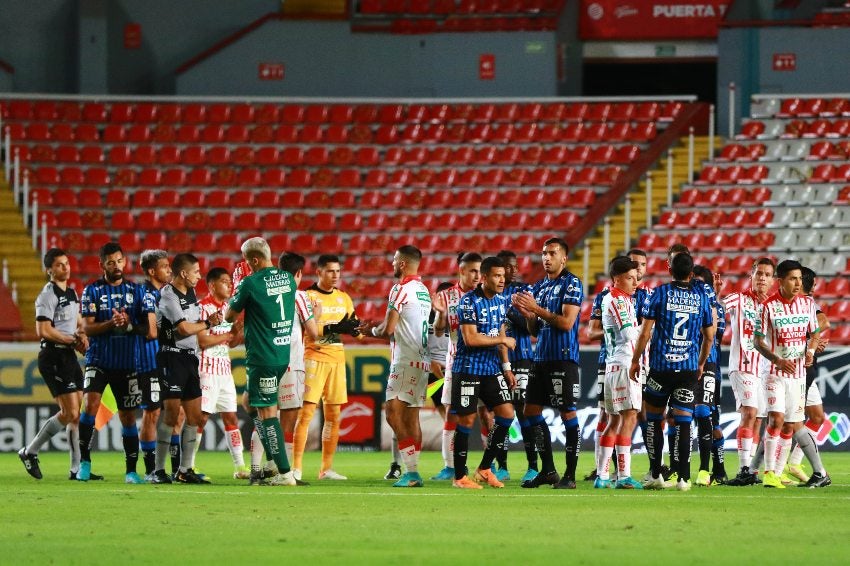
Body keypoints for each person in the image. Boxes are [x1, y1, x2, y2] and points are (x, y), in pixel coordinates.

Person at [630, 252, 715, 491]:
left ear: (670, 270)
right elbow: (709, 337)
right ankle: (684, 478)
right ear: (691, 274)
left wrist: (636, 361)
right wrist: (700, 363)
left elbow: (645, 333)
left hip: (660, 369)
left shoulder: (659, 293)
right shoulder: (701, 298)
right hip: (687, 369)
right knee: (684, 422)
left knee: (654, 420)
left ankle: (656, 473)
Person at [78, 242, 156, 483]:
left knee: (128, 417)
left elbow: (150, 331)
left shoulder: (138, 292)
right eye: (111, 262)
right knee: (90, 405)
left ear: (125, 262)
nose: (116, 266)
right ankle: (84, 463)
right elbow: (87, 328)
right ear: (102, 265)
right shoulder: (91, 291)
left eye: (119, 261)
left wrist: (129, 325)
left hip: (127, 363)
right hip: (98, 360)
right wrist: (111, 324)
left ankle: (131, 471)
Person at [512, 237, 583, 489]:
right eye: (544, 253)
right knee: (530, 411)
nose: (546, 257)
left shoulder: (572, 283)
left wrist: (537, 309)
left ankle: (570, 476)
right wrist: (529, 314)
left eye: (552, 253)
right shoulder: (539, 286)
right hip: (539, 358)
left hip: (563, 359)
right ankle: (549, 470)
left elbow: (566, 323)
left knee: (567, 413)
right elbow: (534, 330)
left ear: (564, 258)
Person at [225, 237, 297, 486]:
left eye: (247, 261)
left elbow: (228, 315)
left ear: (254, 260)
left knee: (267, 413)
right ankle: (277, 462)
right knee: (249, 402)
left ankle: (284, 473)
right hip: (281, 352)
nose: (246, 265)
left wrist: (238, 286)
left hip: (262, 356)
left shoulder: (250, 282)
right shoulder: (288, 278)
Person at [361, 245, 433, 487]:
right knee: (412, 417)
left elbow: (388, 329)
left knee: (392, 413)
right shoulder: (423, 291)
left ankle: (411, 473)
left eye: (394, 260)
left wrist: (369, 331)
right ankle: (413, 471)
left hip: (404, 360)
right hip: (422, 360)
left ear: (402, 264)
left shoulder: (399, 289)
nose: (391, 264)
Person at [149, 254, 222, 484]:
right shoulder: (169, 295)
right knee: (170, 414)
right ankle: (158, 471)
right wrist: (209, 323)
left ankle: (184, 470)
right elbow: (181, 329)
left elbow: (193, 328)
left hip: (190, 358)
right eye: (196, 272)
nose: (199, 276)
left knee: (196, 416)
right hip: (171, 358)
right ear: (183, 273)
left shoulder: (190, 293)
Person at [18, 248, 89, 480]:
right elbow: (44, 330)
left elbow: (78, 322)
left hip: (68, 356)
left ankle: (75, 468)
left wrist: (82, 335)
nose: (65, 267)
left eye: (66, 263)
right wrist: (71, 339)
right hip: (53, 356)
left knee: (77, 414)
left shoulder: (71, 293)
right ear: (49, 270)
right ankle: (30, 451)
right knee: (69, 411)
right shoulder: (47, 295)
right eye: (59, 265)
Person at [753, 260, 825, 489]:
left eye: (799, 279)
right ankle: (770, 473)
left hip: (798, 375)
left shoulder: (807, 304)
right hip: (774, 372)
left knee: (795, 424)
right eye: (793, 278)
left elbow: (814, 333)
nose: (798, 283)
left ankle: (819, 472)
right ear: (780, 280)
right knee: (776, 419)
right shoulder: (767, 307)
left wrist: (811, 352)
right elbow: (757, 341)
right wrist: (777, 360)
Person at [447, 256, 516, 489]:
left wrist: (506, 367)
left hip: (491, 368)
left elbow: (500, 332)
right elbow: (470, 338)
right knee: (466, 419)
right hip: (468, 368)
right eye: (497, 276)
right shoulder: (468, 302)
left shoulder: (502, 301)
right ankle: (459, 477)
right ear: (484, 278)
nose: (501, 280)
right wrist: (503, 339)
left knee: (507, 414)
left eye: (503, 277)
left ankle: (484, 468)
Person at [293, 254, 362, 481]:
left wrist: (358, 330)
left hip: (337, 359)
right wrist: (335, 327)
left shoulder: (344, 298)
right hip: (314, 357)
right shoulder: (307, 296)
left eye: (338, 271)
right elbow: (311, 329)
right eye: (330, 271)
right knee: (306, 414)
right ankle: (296, 468)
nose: (335, 276)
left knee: (334, 416)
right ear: (319, 272)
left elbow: (355, 328)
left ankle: (326, 469)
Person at [587, 248, 649, 483]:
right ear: (617, 278)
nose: (635, 282)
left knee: (613, 420)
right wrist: (647, 330)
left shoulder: (611, 298)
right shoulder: (619, 301)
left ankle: (602, 475)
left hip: (613, 365)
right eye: (630, 278)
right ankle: (624, 475)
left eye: (636, 278)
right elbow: (628, 334)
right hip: (624, 365)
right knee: (628, 417)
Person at [384, 280, 452, 481]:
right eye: (440, 296)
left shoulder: (458, 316)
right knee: (403, 414)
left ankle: (450, 465)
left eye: (447, 296)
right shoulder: (425, 315)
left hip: (445, 373)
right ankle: (397, 464)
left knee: (448, 418)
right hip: (427, 370)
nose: (443, 300)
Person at [265, 252, 320, 485]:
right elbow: (314, 333)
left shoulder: (265, 293)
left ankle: (265, 466)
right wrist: (316, 315)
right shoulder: (299, 296)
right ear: (298, 273)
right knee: (288, 417)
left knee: (266, 415)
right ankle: (283, 472)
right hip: (290, 362)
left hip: (266, 361)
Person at [430, 252, 482, 480]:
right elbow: (439, 330)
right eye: (473, 271)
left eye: (480, 271)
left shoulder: (485, 295)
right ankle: (450, 466)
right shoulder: (447, 296)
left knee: (491, 413)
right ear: (461, 271)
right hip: (456, 362)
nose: (477, 276)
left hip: (485, 362)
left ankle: (493, 466)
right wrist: (441, 314)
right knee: (453, 413)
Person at [724, 257, 775, 486]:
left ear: (773, 280)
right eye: (759, 273)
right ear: (751, 276)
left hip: (764, 369)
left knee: (758, 420)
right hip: (742, 365)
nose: (762, 278)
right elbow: (717, 307)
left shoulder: (774, 307)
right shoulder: (738, 299)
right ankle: (744, 468)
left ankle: (751, 471)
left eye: (767, 274)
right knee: (750, 413)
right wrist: (716, 296)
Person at [194, 267, 249, 479]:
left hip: (225, 370)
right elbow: (203, 341)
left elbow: (230, 342)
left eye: (230, 281)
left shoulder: (228, 309)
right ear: (212, 285)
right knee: (201, 418)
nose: (229, 285)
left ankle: (240, 467)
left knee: (231, 418)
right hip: (206, 369)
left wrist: (236, 334)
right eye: (224, 282)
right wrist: (228, 334)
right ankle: (188, 464)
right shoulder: (202, 308)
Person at [785, 266, 830, 486]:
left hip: (806, 365)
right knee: (789, 420)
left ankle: (793, 463)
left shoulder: (807, 303)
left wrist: (812, 338)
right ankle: (774, 468)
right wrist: (810, 338)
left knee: (817, 417)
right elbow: (823, 323)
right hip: (793, 367)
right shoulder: (796, 302)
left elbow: (822, 323)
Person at [497, 249, 536, 482]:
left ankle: (533, 465)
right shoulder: (490, 293)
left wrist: (509, 310)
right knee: (501, 413)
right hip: (498, 360)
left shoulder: (524, 291)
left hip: (521, 357)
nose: (511, 271)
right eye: (507, 266)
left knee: (523, 411)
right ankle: (501, 465)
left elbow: (529, 324)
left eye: (514, 266)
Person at [691, 264, 726, 487]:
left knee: (709, 418)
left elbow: (716, 335)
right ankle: (677, 470)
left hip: (710, 366)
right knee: (678, 417)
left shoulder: (717, 308)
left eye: (701, 284)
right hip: (685, 364)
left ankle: (716, 469)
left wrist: (714, 301)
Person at [137, 249, 171, 481]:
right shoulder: (146, 294)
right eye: (164, 266)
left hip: (170, 360)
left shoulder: (168, 293)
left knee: (174, 413)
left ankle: (176, 466)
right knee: (152, 412)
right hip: (150, 360)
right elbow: (150, 332)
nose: (169, 269)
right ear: (152, 271)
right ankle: (151, 469)